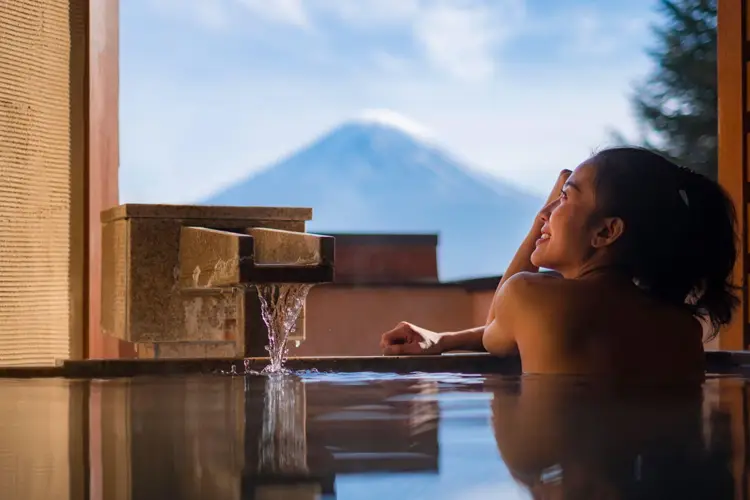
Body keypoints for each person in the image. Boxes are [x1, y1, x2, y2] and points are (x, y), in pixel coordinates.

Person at [380, 147, 739, 377]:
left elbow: (499, 328)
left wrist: (537, 223)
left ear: (606, 232)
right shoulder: (680, 325)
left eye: (565, 198)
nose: (547, 213)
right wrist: (443, 339)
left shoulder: (527, 297)